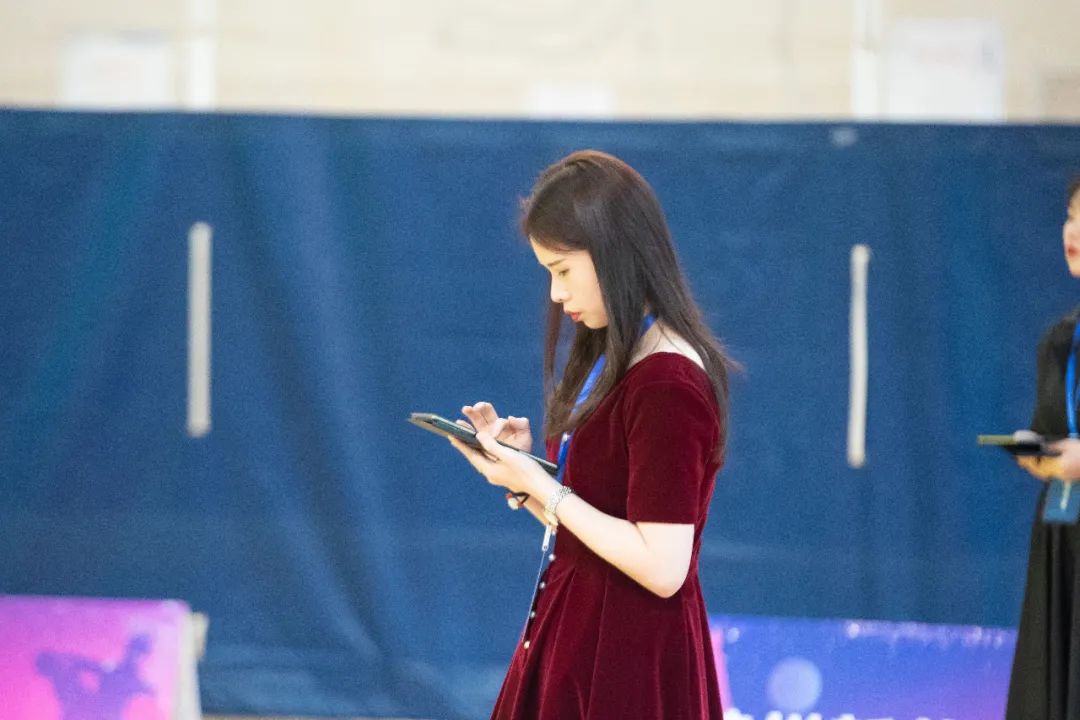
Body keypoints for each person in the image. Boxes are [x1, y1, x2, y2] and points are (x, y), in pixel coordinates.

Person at [447, 150, 732, 719]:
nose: (556, 294)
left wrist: (541, 485)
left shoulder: (668, 381)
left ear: (614, 253)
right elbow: (592, 530)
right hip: (579, 634)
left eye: (563, 270)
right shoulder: (618, 354)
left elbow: (662, 567)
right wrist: (521, 475)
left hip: (628, 659)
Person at [1007, 177, 1080, 719]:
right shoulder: (1060, 340)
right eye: (1071, 215)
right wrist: (1038, 456)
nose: (1072, 231)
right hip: (1063, 538)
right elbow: (1050, 432)